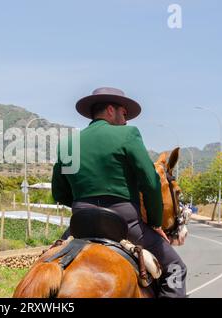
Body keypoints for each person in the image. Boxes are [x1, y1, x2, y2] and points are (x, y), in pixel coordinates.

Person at [51, 87, 187, 298]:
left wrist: (85, 205)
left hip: (80, 222)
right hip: (125, 222)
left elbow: (59, 193)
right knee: (176, 268)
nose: (126, 121)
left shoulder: (69, 143)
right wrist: (155, 222)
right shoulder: (128, 134)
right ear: (110, 110)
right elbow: (151, 183)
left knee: (49, 259)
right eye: (124, 114)